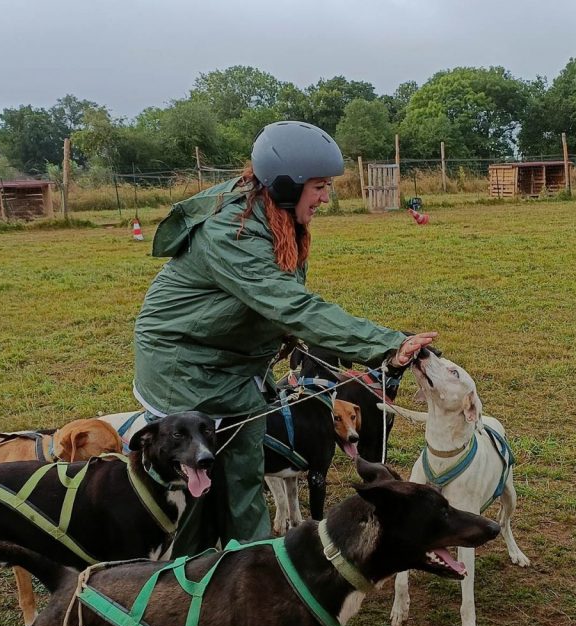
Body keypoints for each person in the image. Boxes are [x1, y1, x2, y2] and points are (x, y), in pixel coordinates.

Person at [133, 121, 437, 556]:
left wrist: (288, 335)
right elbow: (289, 304)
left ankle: (247, 577)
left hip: (235, 367)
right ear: (286, 184)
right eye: (319, 185)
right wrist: (388, 345)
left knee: (241, 477)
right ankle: (187, 590)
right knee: (197, 493)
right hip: (185, 370)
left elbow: (282, 303)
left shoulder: (271, 216)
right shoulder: (231, 233)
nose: (327, 196)